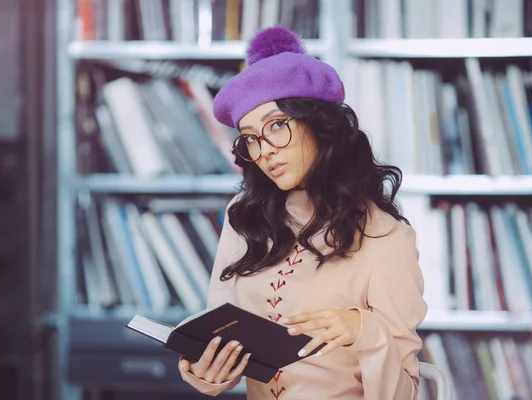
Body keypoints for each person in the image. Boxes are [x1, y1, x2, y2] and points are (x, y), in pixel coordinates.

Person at [178, 26, 427, 400]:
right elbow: (222, 336)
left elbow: (404, 392)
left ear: (319, 124)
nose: (265, 151)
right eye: (250, 137)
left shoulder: (388, 238)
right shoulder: (244, 217)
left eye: (277, 125)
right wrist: (207, 369)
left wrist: (363, 329)